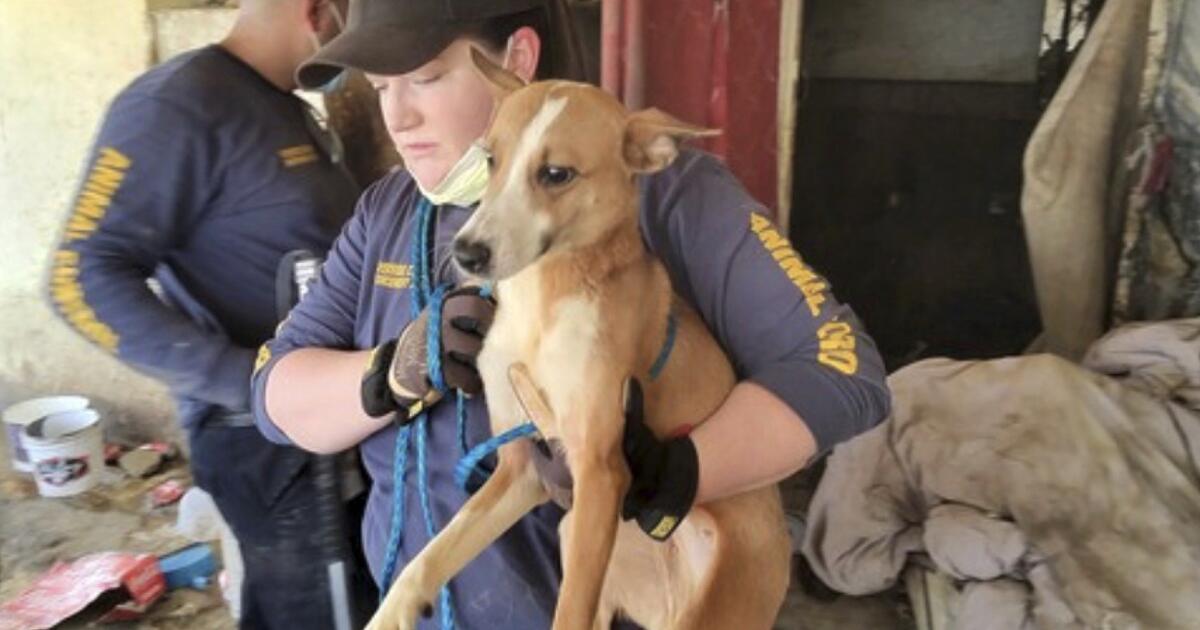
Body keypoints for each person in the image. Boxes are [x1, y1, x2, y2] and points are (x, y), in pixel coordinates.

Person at [251, 0, 891, 627]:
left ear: (517, 60)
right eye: (380, 85)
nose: (398, 116)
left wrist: (680, 471)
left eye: (425, 78)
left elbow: (844, 371)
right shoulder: (386, 212)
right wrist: (390, 372)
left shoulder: (661, 191)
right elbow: (275, 395)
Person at [46, 0, 378, 627]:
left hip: (330, 419)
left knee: (346, 608)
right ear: (318, 12)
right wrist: (248, 383)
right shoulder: (177, 105)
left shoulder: (286, 108)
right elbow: (77, 277)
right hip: (260, 440)